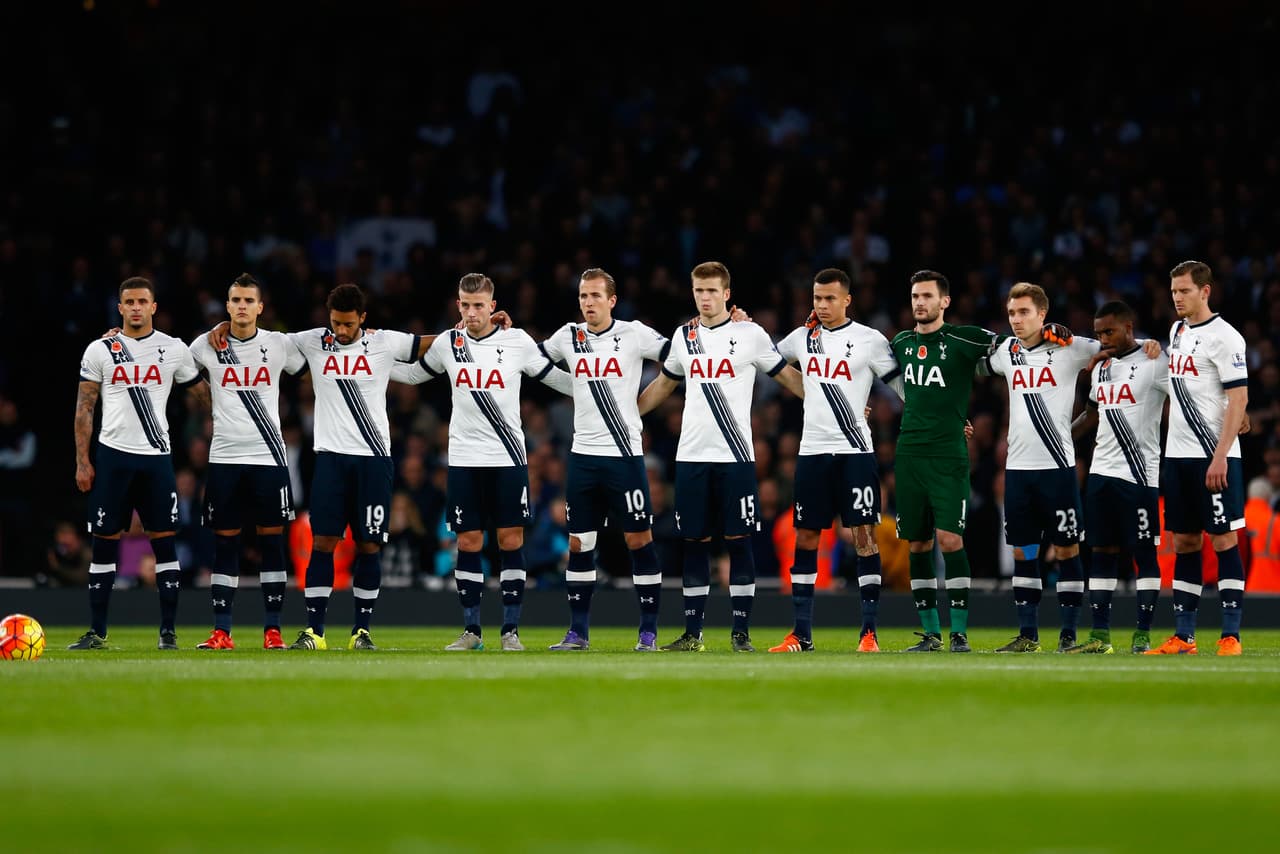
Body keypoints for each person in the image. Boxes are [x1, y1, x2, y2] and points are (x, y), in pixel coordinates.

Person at [213, 282, 443, 651]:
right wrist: (222, 327)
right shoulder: (313, 340)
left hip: (373, 460)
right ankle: (314, 632)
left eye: (349, 324)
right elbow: (261, 338)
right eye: (336, 322)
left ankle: (361, 632)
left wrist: (468, 329)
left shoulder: (383, 341)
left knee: (369, 546)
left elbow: (424, 343)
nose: (341, 330)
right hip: (331, 460)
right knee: (323, 543)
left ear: (363, 320)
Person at [392, 273, 571, 651]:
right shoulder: (447, 343)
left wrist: (597, 384)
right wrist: (365, 362)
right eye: (465, 305)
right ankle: (472, 630)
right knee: (468, 541)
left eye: (478, 305)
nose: (472, 312)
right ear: (457, 305)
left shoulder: (516, 341)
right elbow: (411, 375)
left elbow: (556, 379)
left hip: (508, 458)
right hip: (463, 459)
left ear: (492, 306)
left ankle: (510, 630)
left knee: (510, 540)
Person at [636, 261, 804, 652]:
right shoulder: (684, 336)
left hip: (736, 457)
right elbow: (664, 383)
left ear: (727, 294)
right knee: (693, 543)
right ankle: (693, 634)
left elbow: (787, 376)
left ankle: (740, 633)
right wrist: (629, 413)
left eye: (712, 290)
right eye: (699, 290)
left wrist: (835, 404)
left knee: (739, 542)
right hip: (692, 455)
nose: (705, 297)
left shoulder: (750, 334)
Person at [982, 282, 1155, 653]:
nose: (1017, 320)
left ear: (1043, 314)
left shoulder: (1070, 347)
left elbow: (1118, 346)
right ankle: (1028, 635)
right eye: (1012, 313)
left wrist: (1151, 345)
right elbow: (977, 358)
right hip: (1018, 470)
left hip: (1057, 468)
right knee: (1023, 552)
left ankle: (1069, 634)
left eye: (1025, 312)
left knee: (1066, 550)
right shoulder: (1005, 352)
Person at [537, 268, 673, 651]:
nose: (588, 303)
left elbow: (677, 358)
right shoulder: (569, 336)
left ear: (612, 300)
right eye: (583, 296)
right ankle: (578, 633)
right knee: (579, 544)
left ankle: (648, 632)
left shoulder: (633, 333)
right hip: (583, 458)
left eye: (596, 296)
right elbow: (530, 361)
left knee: (638, 540)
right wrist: (572, 385)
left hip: (625, 457)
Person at [766, 268, 901, 653]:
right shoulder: (803, 337)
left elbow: (902, 387)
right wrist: (741, 326)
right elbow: (764, 358)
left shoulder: (869, 340)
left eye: (830, 299)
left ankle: (869, 632)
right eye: (817, 298)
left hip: (856, 452)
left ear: (847, 300)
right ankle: (801, 634)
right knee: (806, 536)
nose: (822, 306)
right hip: (812, 452)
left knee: (864, 537)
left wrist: (942, 418)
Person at [70, 277, 207, 650]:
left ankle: (168, 632)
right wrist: (83, 461)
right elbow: (85, 407)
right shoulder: (101, 349)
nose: (135, 308)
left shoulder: (173, 349)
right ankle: (97, 632)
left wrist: (222, 430)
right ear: (120, 307)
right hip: (112, 456)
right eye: (128, 302)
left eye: (141, 302)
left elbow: (202, 393)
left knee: (165, 543)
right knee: (103, 544)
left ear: (153, 307)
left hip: (156, 459)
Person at [188, 273, 306, 650]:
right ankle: (222, 631)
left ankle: (273, 630)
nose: (241, 306)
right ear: (227, 306)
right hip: (224, 458)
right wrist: (116, 339)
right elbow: (168, 357)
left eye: (247, 300)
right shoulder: (206, 346)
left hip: (269, 458)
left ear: (260, 307)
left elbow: (320, 351)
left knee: (273, 543)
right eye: (235, 300)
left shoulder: (279, 344)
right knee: (225, 544)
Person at [890, 270, 1000, 653]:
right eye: (915, 296)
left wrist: (1055, 332)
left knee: (950, 540)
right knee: (917, 545)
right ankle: (931, 634)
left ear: (944, 302)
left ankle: (960, 633)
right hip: (909, 455)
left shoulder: (964, 338)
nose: (919, 302)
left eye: (927, 296)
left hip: (948, 455)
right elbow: (901, 385)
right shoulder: (901, 342)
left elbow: (1012, 348)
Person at [1148, 260, 1249, 655]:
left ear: (1205, 291)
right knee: (1185, 542)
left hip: (1215, 457)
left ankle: (1230, 635)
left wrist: (1221, 456)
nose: (1177, 297)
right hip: (1178, 457)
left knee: (1223, 540)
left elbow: (1239, 397)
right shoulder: (1177, 331)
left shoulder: (1226, 337)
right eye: (1174, 291)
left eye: (1184, 291)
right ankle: (1184, 636)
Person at [1069, 301, 1169, 653]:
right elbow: (1091, 415)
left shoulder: (1156, 360)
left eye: (1108, 331)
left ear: (1129, 327)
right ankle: (1100, 636)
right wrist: (1059, 439)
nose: (1102, 339)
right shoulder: (1102, 368)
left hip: (1140, 476)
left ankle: (1142, 634)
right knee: (1102, 553)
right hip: (1100, 474)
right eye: (1098, 333)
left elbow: (1186, 396)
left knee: (1144, 554)